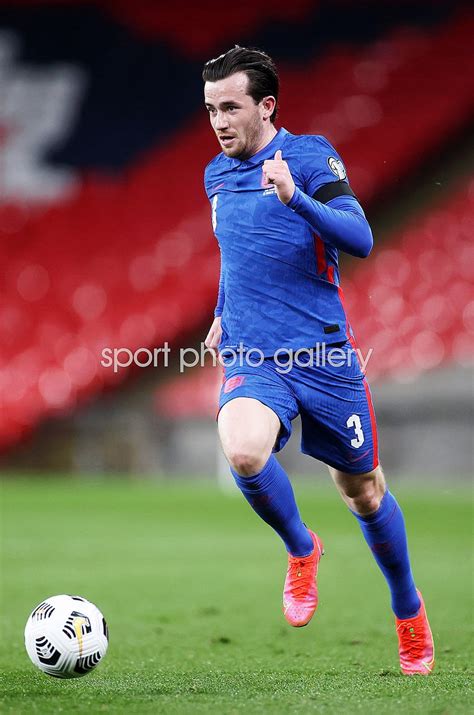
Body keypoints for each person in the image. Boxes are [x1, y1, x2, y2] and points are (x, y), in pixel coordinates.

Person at [202, 45, 434, 676]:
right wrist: (223, 313)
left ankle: (409, 611)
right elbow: (235, 251)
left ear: (266, 105)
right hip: (255, 352)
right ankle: (302, 548)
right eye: (210, 109)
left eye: (230, 107)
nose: (219, 121)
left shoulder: (308, 157)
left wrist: (296, 199)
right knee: (244, 450)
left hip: (324, 354)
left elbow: (360, 239)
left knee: (363, 492)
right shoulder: (214, 175)